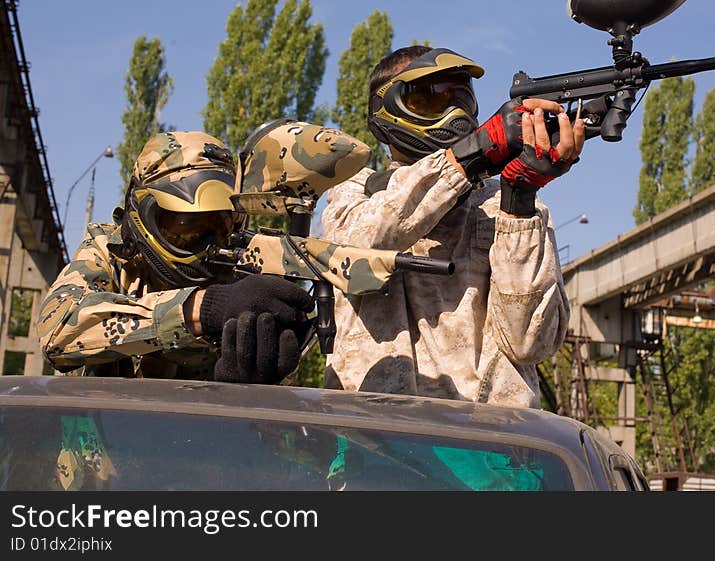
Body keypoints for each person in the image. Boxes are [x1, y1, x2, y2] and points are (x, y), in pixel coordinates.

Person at [320, 46, 586, 408]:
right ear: (387, 109)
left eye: (461, 98)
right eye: (432, 99)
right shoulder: (356, 191)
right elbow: (356, 248)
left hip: (487, 444)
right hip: (374, 436)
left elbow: (530, 343)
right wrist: (471, 156)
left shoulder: (505, 204)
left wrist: (519, 199)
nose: (453, 114)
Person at [37, 130, 314, 383]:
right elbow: (57, 334)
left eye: (219, 226)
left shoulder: (242, 281)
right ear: (142, 215)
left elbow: (267, 420)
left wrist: (250, 384)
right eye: (186, 227)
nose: (205, 244)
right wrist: (203, 309)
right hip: (99, 432)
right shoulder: (110, 253)